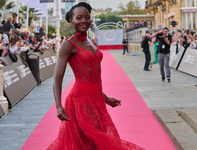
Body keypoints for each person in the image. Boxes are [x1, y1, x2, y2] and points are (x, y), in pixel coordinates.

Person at [46, 2, 144, 150]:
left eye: (87, 17)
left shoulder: (91, 41)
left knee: (96, 141)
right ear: (71, 20)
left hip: (96, 98)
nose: (84, 20)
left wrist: (105, 98)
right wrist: (59, 106)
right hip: (80, 100)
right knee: (90, 141)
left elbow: (93, 78)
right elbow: (57, 78)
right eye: (79, 18)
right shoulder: (68, 45)